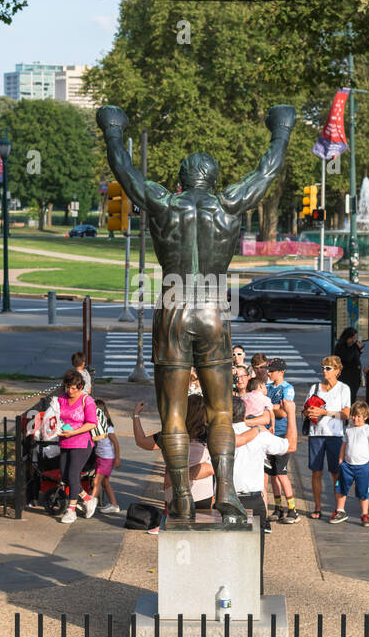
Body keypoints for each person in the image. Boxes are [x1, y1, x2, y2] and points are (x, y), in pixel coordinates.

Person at [98, 102, 295, 525]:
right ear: (214, 179)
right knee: (223, 411)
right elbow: (269, 169)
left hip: (172, 305)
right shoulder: (229, 202)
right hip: (212, 308)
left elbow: (124, 171)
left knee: (171, 413)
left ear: (181, 180)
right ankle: (226, 493)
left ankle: (182, 495)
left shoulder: (164, 203)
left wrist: (113, 128)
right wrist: (281, 127)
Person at [131, 396, 225, 536]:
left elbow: (142, 442)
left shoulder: (170, 434)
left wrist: (136, 415)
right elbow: (210, 467)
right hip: (202, 492)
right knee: (200, 534)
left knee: (177, 536)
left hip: (174, 491)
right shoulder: (209, 434)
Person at [232, 396, 289, 551]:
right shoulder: (260, 434)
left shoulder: (217, 434)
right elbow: (287, 446)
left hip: (227, 499)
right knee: (255, 553)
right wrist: (291, 416)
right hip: (252, 499)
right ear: (244, 415)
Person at [303, 355, 351, 520]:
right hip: (316, 434)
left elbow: (346, 414)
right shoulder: (315, 388)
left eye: (328, 368)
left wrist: (325, 412)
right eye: (323, 367)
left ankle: (339, 508)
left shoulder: (343, 388)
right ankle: (317, 507)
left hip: (334, 435)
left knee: (336, 472)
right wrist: (309, 412)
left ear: (337, 371)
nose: (324, 371)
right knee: (316, 471)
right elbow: (305, 408)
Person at [55, 369, 99, 524]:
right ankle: (87, 499)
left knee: (73, 474)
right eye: (68, 387)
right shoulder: (62, 398)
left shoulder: (87, 400)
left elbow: (92, 423)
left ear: (80, 387)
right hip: (65, 440)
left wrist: (74, 432)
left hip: (82, 441)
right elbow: (56, 416)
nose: (70, 391)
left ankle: (71, 510)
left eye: (74, 388)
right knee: (65, 476)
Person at [332, 400, 369, 526]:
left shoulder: (368, 430)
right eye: (353, 415)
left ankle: (365, 514)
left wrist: (367, 455)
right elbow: (344, 445)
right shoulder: (349, 429)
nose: (355, 418)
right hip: (347, 465)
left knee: (363, 490)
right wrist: (341, 459)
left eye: (358, 416)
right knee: (341, 488)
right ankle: (340, 510)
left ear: (365, 416)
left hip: (362, 466)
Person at [264, 358, 299, 523]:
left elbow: (285, 411)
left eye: (272, 370)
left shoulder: (287, 388)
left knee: (281, 473)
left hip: (282, 434)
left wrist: (270, 408)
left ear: (281, 372)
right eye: (268, 370)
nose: (269, 373)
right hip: (269, 434)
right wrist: (274, 407)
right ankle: (278, 507)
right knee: (272, 474)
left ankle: (292, 509)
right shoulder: (268, 386)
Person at [91, 399, 122, 515]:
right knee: (105, 483)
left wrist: (117, 458)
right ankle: (114, 505)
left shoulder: (108, 428)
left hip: (107, 458)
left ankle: (90, 504)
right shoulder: (95, 426)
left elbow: (116, 443)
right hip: (101, 457)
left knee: (96, 481)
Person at [334, 327, 364, 401]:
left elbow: (354, 358)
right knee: (346, 398)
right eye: (352, 338)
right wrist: (355, 347)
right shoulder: (341, 346)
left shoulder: (352, 346)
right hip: (346, 377)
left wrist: (359, 351)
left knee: (352, 397)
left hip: (354, 378)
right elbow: (347, 358)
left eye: (355, 338)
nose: (353, 341)